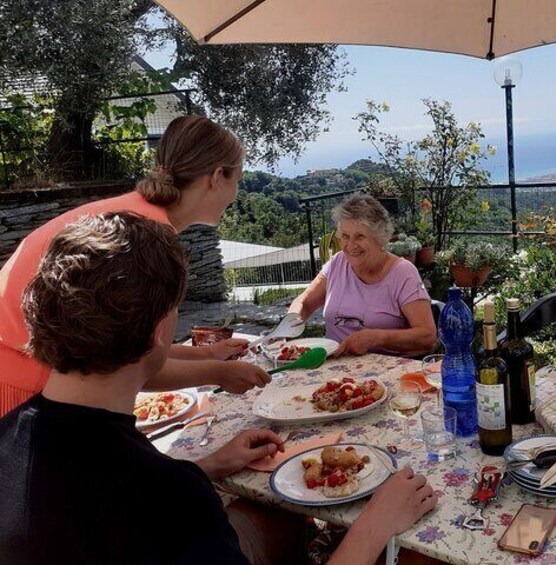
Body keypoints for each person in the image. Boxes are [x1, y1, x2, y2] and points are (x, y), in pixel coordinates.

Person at [0, 212, 437, 564]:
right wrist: (375, 524)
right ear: (159, 333)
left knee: (271, 509)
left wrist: (204, 466)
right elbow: (146, 500)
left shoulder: (10, 436)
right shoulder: (168, 497)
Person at [0, 116, 270, 417]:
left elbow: (129, 346)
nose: (235, 194)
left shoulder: (131, 214)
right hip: (24, 389)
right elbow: (125, 368)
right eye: (237, 180)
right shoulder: (143, 241)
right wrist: (217, 372)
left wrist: (205, 354)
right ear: (217, 176)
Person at [288, 195, 437, 356]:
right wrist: (285, 328)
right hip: (333, 368)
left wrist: (376, 338)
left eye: (360, 236)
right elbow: (305, 302)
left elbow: (427, 336)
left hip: (387, 371)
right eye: (345, 236)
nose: (351, 245)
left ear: (380, 239)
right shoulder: (337, 263)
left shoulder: (403, 273)